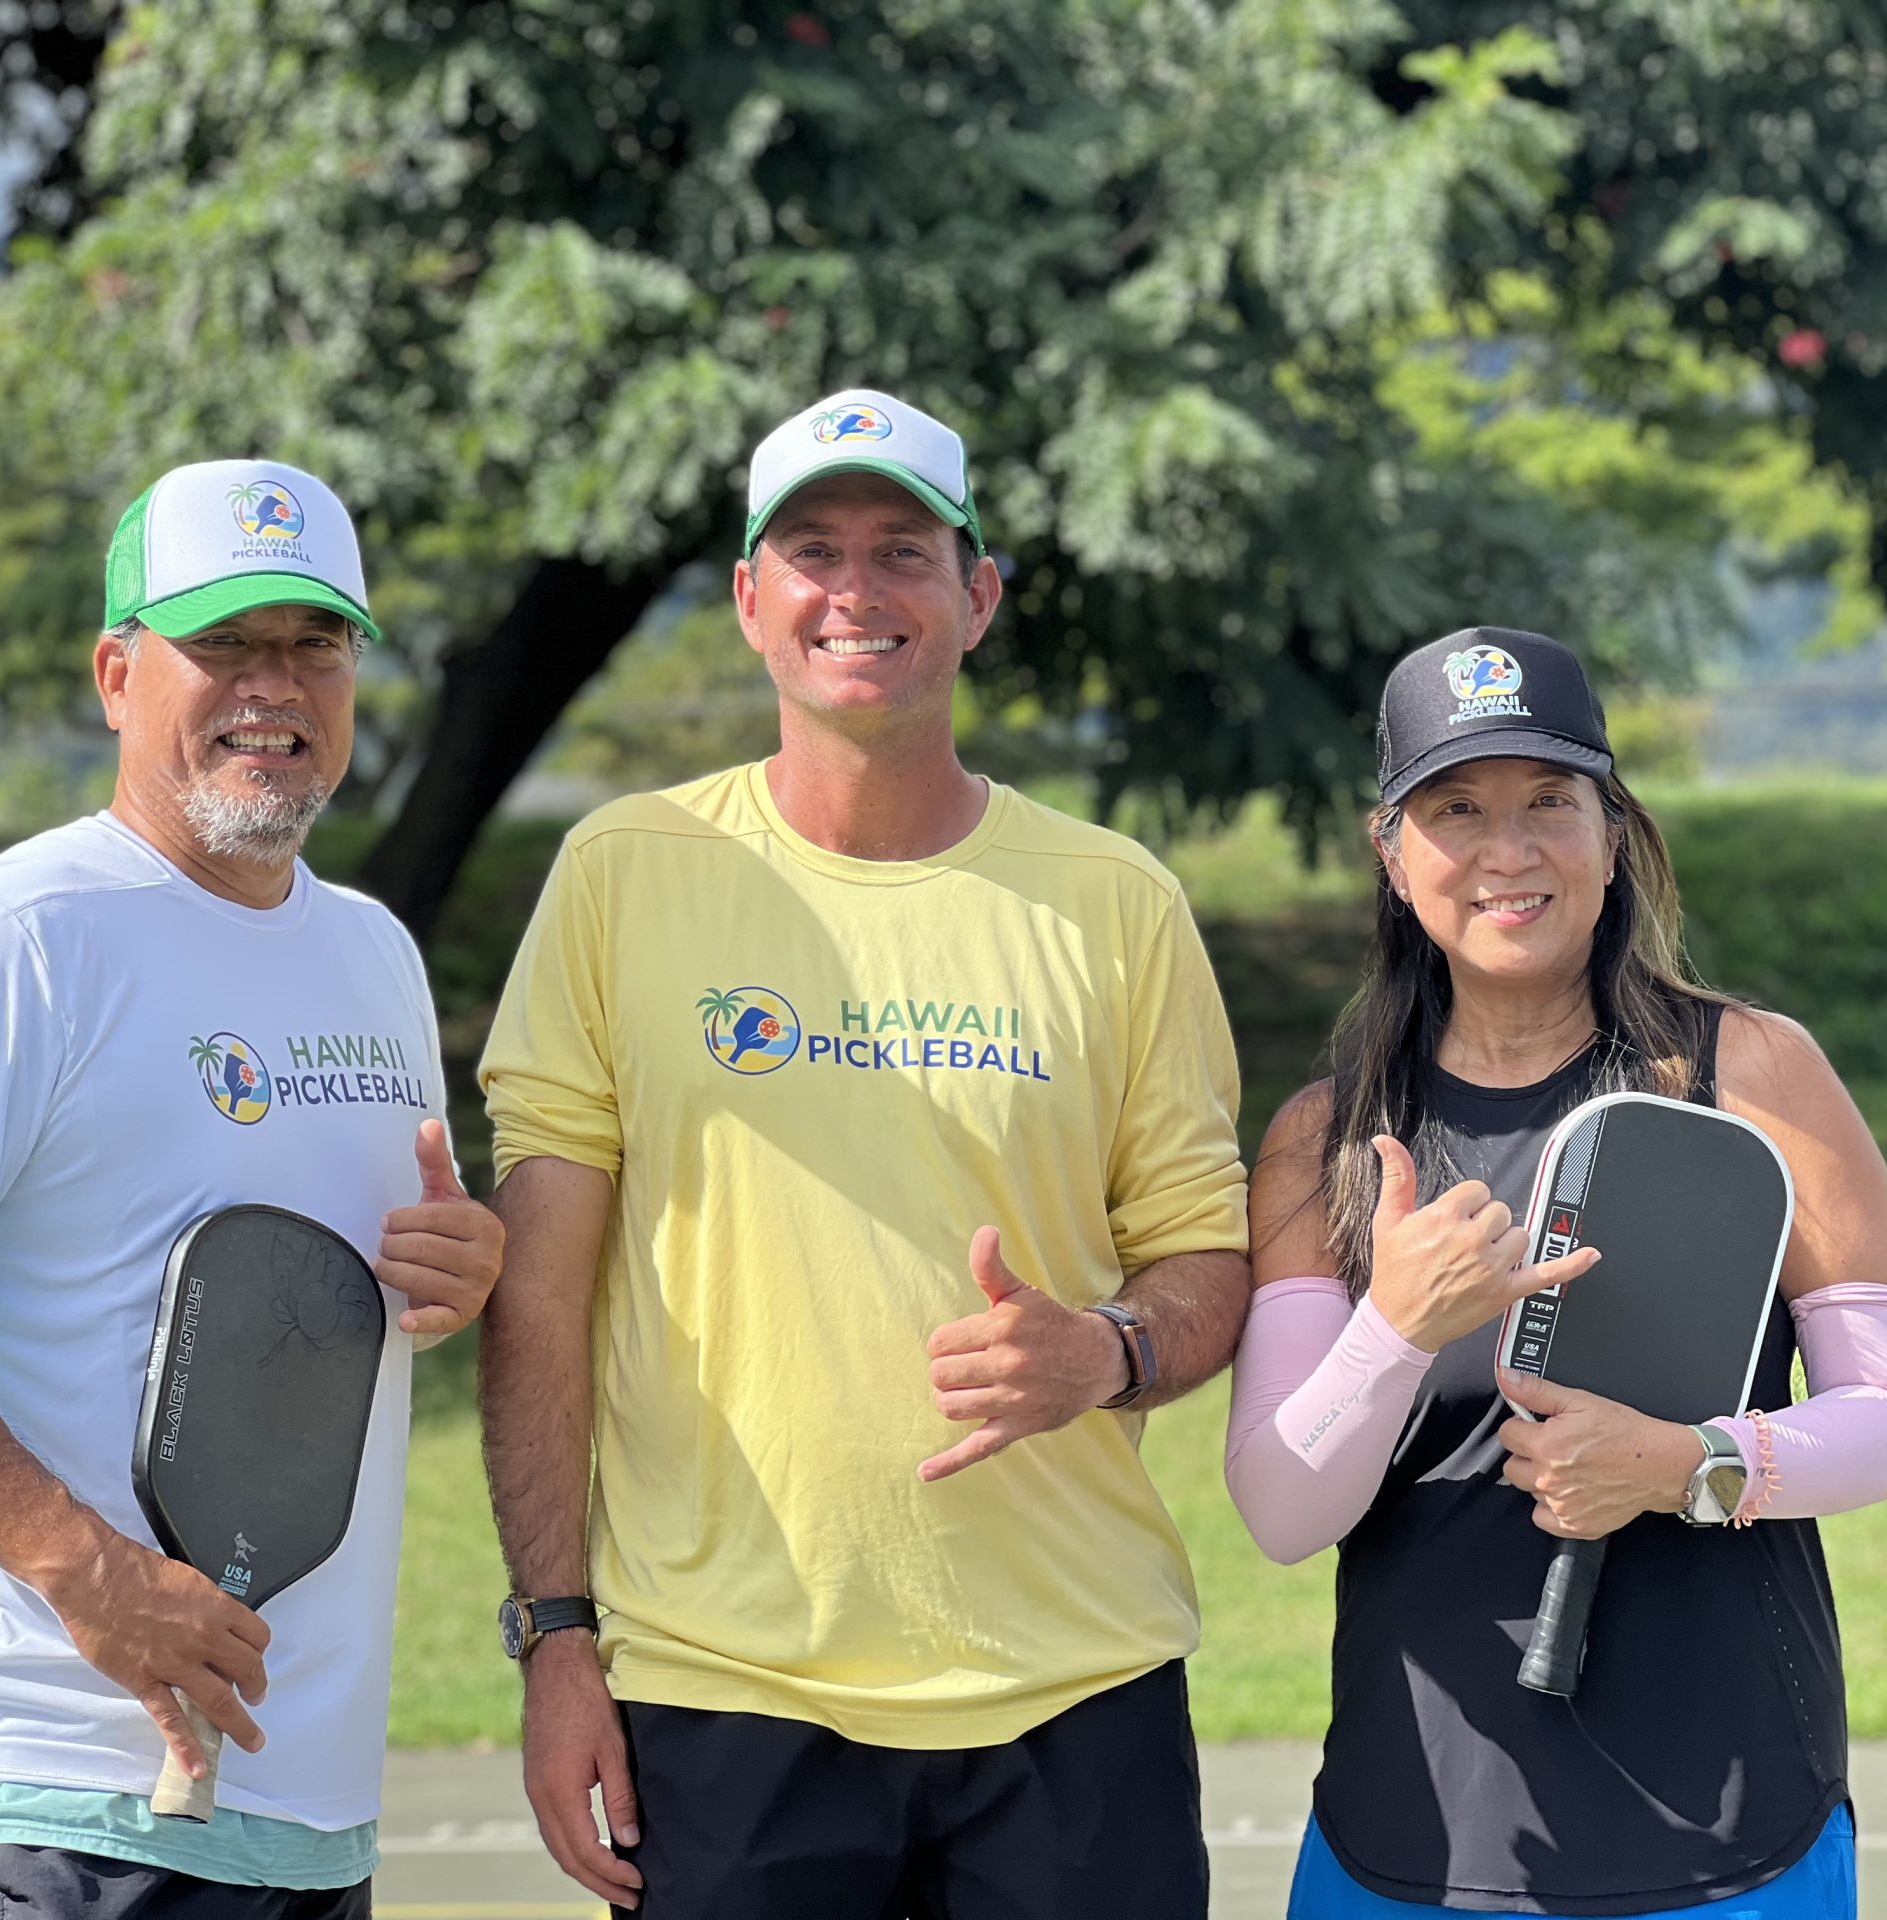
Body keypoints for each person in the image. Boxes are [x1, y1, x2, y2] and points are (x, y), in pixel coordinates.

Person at [476, 388, 1253, 1917]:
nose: (856, 589)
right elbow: (543, 1295)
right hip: (725, 1692)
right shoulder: (624, 873)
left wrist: (1104, 1352)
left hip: (1073, 1692)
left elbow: (1204, 1256)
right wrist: (555, 1636)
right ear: (749, 599)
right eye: (813, 551)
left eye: (904, 550)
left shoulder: (1116, 901)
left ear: (979, 596)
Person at [0, 459, 504, 1919]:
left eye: (315, 643)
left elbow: (306, 1304)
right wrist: (88, 1573)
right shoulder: (24, 935)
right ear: (117, 674)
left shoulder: (374, 954)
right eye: (223, 642)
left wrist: (452, 1271)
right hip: (53, 1799)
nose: (273, 686)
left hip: (304, 1806)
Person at [1224, 628, 1887, 1917]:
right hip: (1412, 1838)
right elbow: (1282, 1511)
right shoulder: (1324, 1141)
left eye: (1549, 802)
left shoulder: (1755, 1074)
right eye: (1457, 809)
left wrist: (1687, 1467)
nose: (1508, 851)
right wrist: (1395, 1326)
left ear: (1612, 837)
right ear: (1392, 853)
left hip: (1731, 1831)